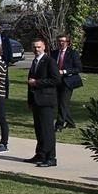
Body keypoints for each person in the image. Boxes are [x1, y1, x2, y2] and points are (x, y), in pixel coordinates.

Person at [26, 39, 60, 167]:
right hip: (36, 101)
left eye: (39, 47)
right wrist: (29, 100)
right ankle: (40, 154)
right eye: (34, 47)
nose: (36, 49)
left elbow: (56, 80)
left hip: (46, 100)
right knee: (39, 129)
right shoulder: (35, 62)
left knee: (47, 130)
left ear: (44, 47)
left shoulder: (49, 61)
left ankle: (51, 157)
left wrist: (38, 82)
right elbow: (30, 83)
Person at [52, 35, 83, 131]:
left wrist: (64, 71)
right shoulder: (54, 53)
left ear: (67, 43)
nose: (61, 43)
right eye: (59, 41)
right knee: (60, 103)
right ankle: (70, 123)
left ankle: (59, 125)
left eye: (63, 41)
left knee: (63, 103)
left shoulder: (73, 53)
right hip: (57, 81)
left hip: (68, 81)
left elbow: (78, 68)